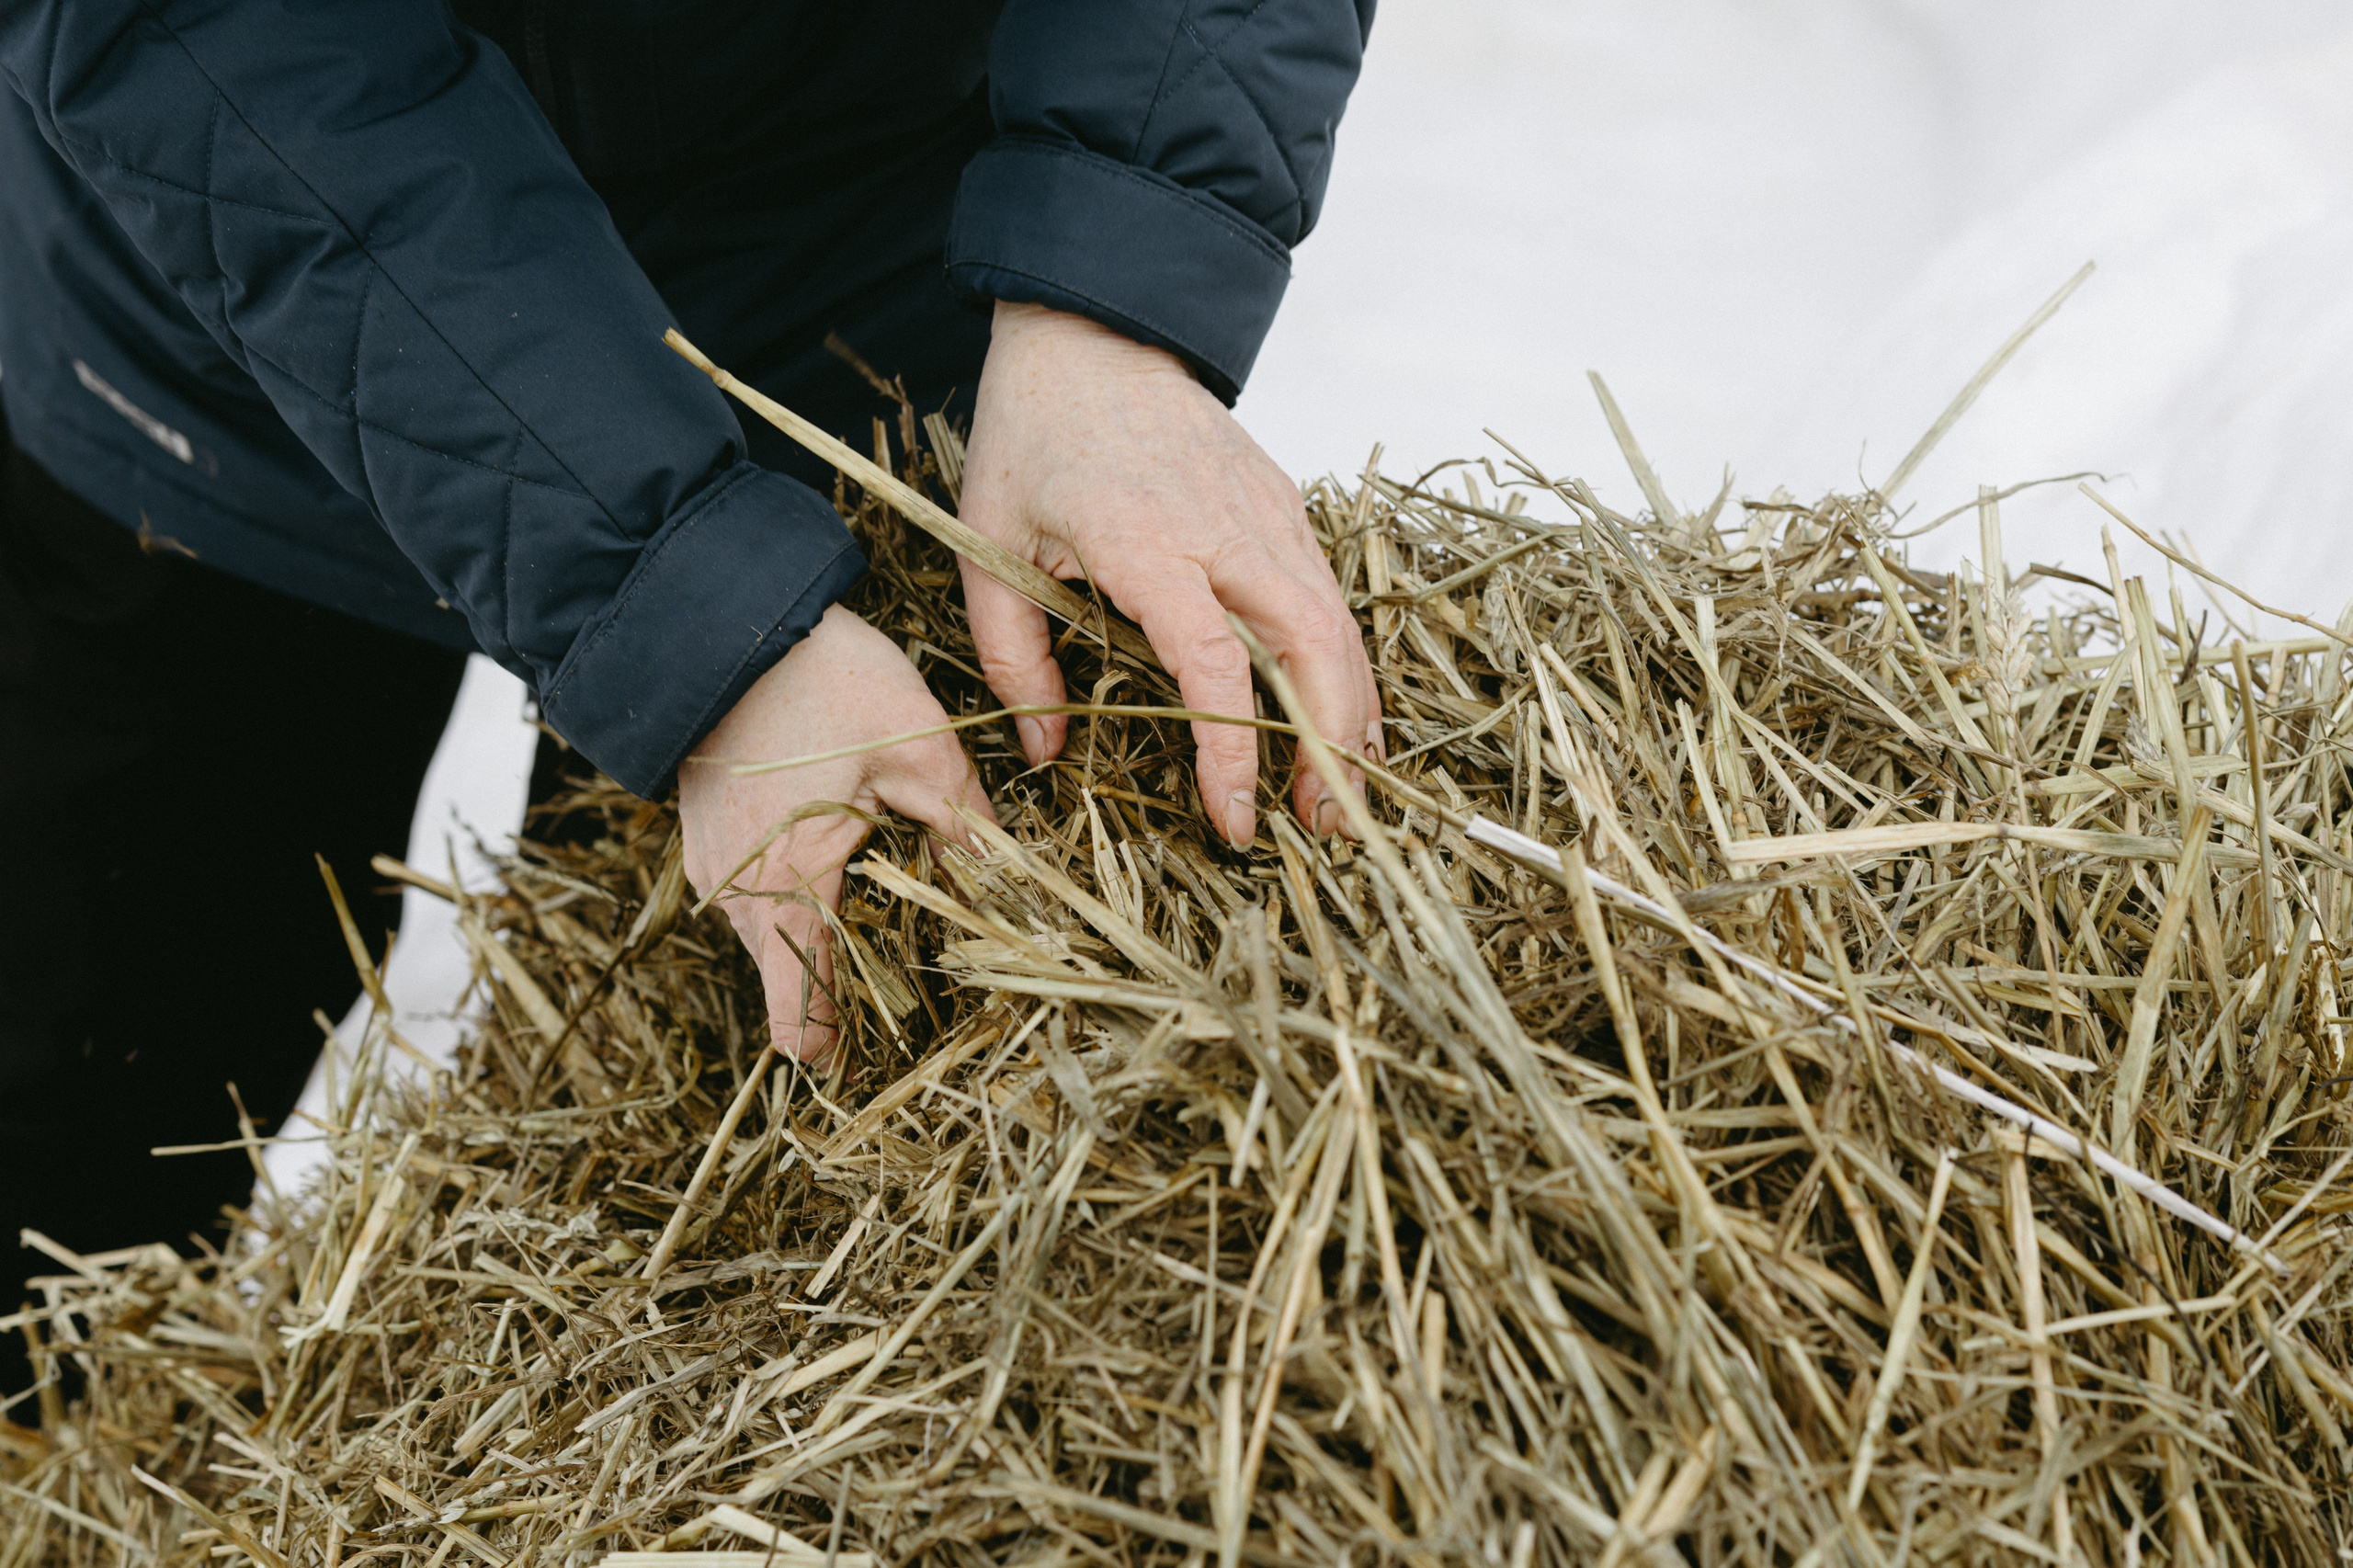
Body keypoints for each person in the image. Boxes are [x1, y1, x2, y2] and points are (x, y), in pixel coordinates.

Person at [0, 1, 1381, 1406]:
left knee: (725, 1199)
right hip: (238, 318)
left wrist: (1111, 294)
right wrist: (681, 609)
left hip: (840, 293)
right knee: (69, 1147)